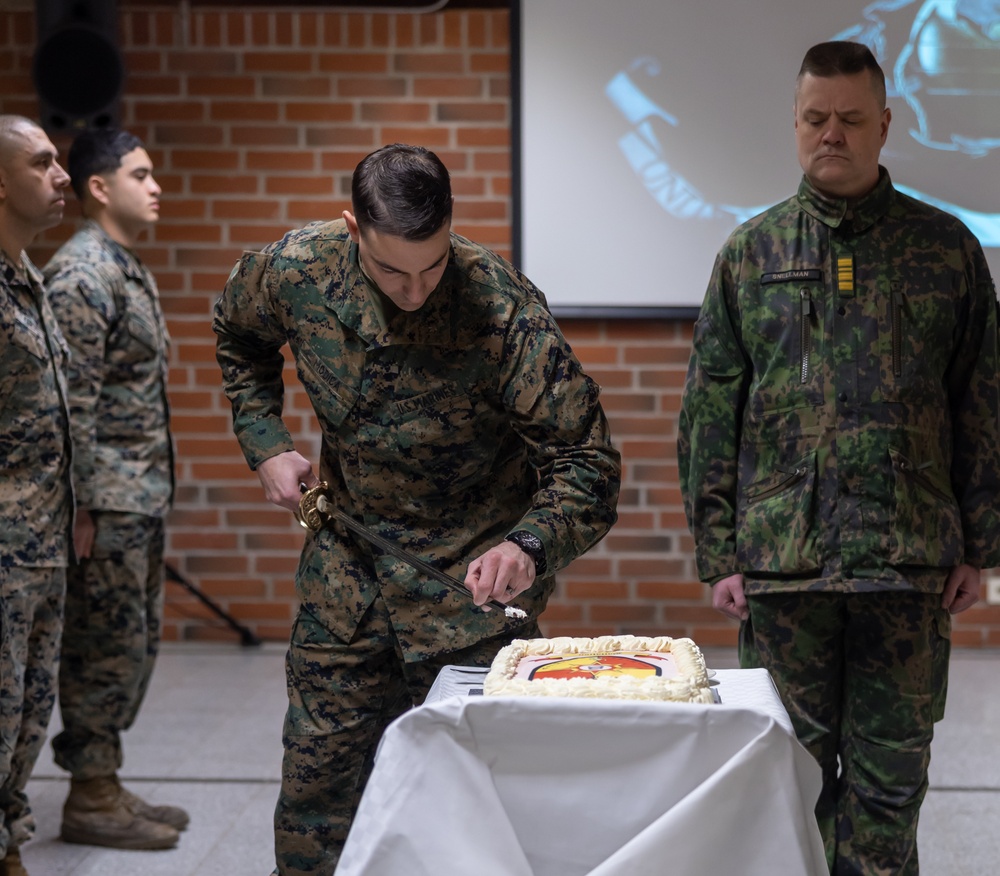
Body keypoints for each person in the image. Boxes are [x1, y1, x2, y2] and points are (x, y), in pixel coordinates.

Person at [213, 142, 621, 875]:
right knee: (317, 798)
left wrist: (527, 547)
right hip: (349, 576)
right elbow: (238, 332)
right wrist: (266, 442)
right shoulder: (298, 269)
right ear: (352, 229)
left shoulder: (501, 309)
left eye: (432, 267)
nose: (414, 291)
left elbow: (586, 462)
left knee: (474, 814)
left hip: (467, 587)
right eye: (392, 269)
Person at [678, 41, 1000, 875]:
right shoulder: (750, 256)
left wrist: (983, 548)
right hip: (786, 569)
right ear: (794, 123)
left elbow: (985, 406)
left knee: (892, 790)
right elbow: (712, 413)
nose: (833, 135)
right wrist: (719, 550)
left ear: (885, 124)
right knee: (789, 785)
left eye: (852, 119)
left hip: (908, 565)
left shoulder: (947, 252)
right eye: (816, 118)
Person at [43, 129, 185, 851]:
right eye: (141, 174)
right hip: (109, 503)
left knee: (130, 645)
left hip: (138, 496)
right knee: (102, 648)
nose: (155, 186)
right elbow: (72, 405)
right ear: (99, 187)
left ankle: (104, 781)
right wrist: (83, 506)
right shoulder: (83, 275)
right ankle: (90, 795)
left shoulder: (122, 266)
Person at [0, 115, 73, 876]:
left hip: (39, 538)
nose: (60, 175)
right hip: (3, 542)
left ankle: (9, 835)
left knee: (25, 703)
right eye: (42, 161)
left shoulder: (28, 274)